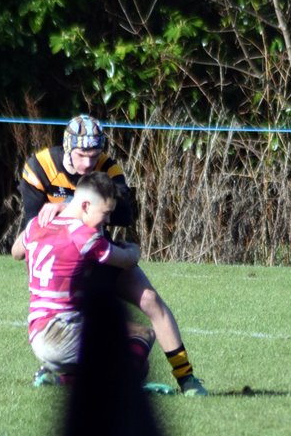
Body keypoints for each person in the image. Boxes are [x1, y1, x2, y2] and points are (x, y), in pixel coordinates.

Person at [19, 114, 208, 395]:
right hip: (63, 258)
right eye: (81, 155)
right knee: (85, 318)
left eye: (93, 155)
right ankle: (69, 374)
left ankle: (186, 378)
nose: (88, 163)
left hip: (98, 249)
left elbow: (122, 213)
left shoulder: (108, 167)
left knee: (149, 299)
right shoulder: (39, 167)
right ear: (67, 147)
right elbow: (32, 229)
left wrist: (68, 204)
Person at [11, 172, 154, 385]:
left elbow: (16, 252)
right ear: (86, 206)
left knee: (142, 366)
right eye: (106, 213)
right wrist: (133, 248)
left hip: (38, 332)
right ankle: (123, 386)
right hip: (61, 333)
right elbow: (127, 261)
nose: (107, 221)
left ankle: (62, 379)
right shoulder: (84, 236)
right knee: (142, 334)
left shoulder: (36, 225)